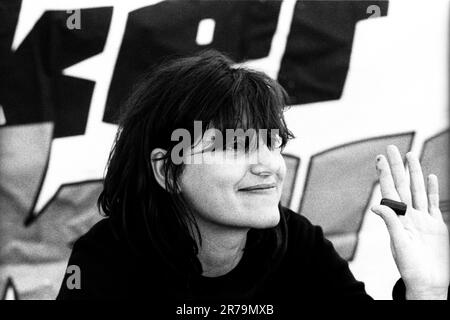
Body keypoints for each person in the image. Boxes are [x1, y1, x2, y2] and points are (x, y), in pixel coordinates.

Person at [56, 50, 449, 302]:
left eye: (273, 142)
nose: (269, 165)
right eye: (234, 146)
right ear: (166, 171)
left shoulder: (298, 245)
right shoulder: (107, 260)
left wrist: (426, 292)